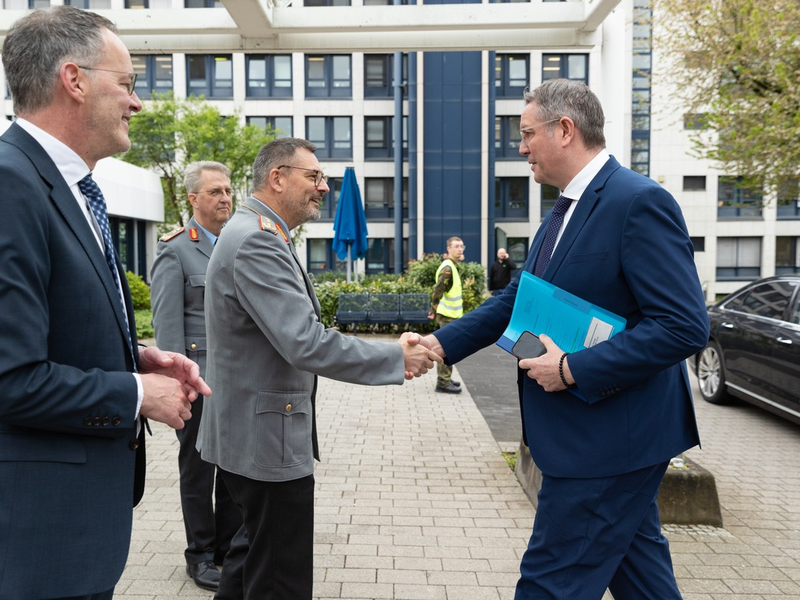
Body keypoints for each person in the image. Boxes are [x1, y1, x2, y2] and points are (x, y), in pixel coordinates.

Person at [423, 79, 709, 599]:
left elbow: (683, 325)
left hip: (604, 443)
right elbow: (517, 301)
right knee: (642, 579)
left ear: (565, 130)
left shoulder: (638, 202)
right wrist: (440, 346)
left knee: (549, 584)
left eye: (527, 134)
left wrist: (573, 369)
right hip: (605, 443)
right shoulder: (562, 211)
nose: (521, 146)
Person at [0, 7, 211, 600]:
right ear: (75, 80)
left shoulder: (69, 186)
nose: (136, 102)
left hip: (73, 536)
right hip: (38, 547)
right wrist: (137, 393)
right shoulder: (11, 184)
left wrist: (136, 357)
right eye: (127, 83)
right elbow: (9, 377)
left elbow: (46, 327)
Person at [197, 137, 441, 600]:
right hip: (265, 444)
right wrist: (395, 357)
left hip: (251, 438)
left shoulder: (257, 231)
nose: (323, 187)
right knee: (279, 579)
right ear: (277, 178)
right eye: (313, 176)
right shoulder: (257, 241)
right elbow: (305, 342)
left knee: (249, 564)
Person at [150, 162, 242, 591]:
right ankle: (200, 554)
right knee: (198, 469)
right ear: (193, 199)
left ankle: (227, 549)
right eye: (215, 192)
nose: (225, 198)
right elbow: (167, 327)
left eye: (227, 190)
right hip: (197, 379)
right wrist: (176, 381)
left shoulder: (237, 244)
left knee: (232, 467)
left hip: (236, 378)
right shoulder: (175, 249)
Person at [428, 236, 465, 394]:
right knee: (445, 348)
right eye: (456, 246)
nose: (460, 249)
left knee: (450, 348)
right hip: (447, 315)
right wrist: (433, 308)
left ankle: (446, 379)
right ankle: (443, 382)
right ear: (448, 248)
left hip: (452, 314)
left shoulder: (453, 265)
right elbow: (438, 289)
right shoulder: (448, 268)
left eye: (462, 246)